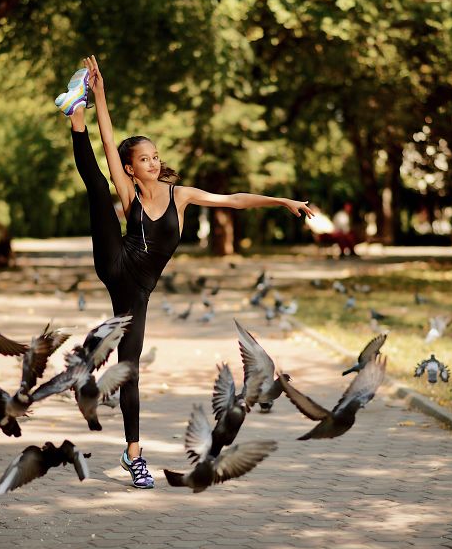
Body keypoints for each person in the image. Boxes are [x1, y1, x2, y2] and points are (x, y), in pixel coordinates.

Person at [56, 56, 313, 488]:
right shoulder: (130, 192)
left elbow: (233, 200)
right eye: (144, 159)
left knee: (129, 370)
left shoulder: (181, 195)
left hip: (136, 293)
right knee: (98, 186)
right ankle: (75, 112)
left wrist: (281, 201)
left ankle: (132, 455)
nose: (153, 163)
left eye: (155, 156)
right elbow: (110, 140)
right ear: (131, 168)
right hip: (115, 263)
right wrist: (99, 95)